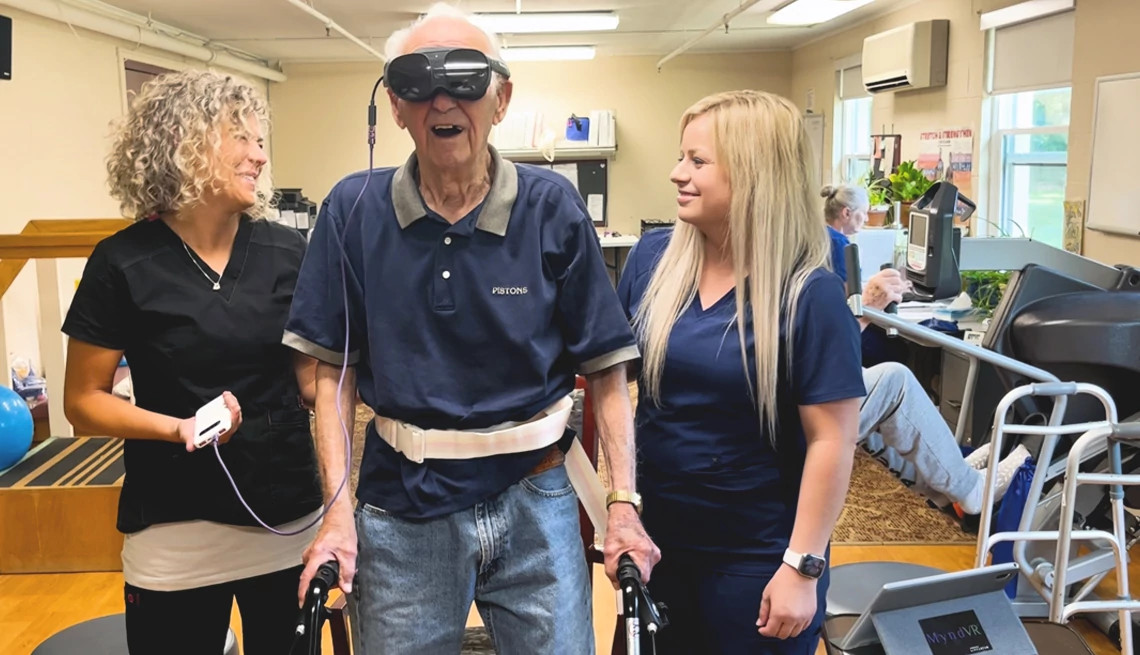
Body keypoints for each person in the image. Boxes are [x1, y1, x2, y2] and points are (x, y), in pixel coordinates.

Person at [282, 4, 658, 653]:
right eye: (417, 83)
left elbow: (606, 366)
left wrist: (622, 503)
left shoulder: (551, 206)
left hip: (536, 493)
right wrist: (337, 514)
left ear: (501, 99)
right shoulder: (352, 209)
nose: (441, 100)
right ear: (395, 107)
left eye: (464, 79)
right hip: (402, 509)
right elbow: (331, 376)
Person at [61, 70, 323, 655]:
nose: (260, 156)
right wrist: (177, 428)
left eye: (261, 142)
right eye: (242, 138)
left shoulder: (287, 251)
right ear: (187, 143)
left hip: (284, 520)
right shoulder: (122, 263)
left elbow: (309, 380)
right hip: (175, 531)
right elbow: (82, 401)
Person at [617, 89, 864, 654]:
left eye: (698, 161)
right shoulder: (654, 261)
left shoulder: (809, 295)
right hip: (658, 546)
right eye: (681, 157)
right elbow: (607, 377)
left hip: (758, 559)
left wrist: (802, 567)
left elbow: (832, 441)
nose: (677, 173)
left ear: (755, 175)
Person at [821, 183, 1029, 515]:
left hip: (790, 392)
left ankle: (941, 483)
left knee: (866, 379)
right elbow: (825, 350)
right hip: (796, 406)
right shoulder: (831, 245)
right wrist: (867, 310)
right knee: (894, 379)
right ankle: (970, 489)